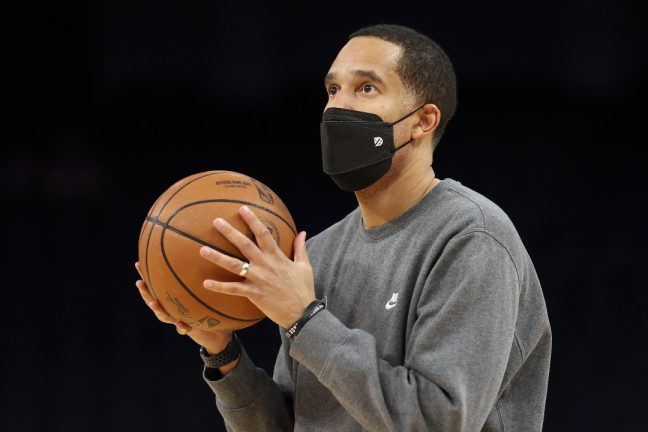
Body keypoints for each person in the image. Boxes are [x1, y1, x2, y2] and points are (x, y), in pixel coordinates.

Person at [135, 24, 551, 431]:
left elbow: (439, 421)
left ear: (423, 121)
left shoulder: (471, 237)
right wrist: (221, 352)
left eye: (365, 88)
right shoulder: (318, 253)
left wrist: (304, 318)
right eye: (333, 90)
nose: (336, 106)